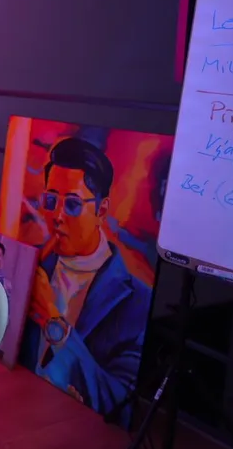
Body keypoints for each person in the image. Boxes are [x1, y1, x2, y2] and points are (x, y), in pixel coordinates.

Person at [17, 136, 152, 423]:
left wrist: (51, 318)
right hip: (18, 408)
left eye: (73, 205)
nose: (57, 216)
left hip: (77, 431)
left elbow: (120, 405)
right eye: (51, 201)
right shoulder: (31, 263)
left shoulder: (137, 300)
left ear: (101, 210)